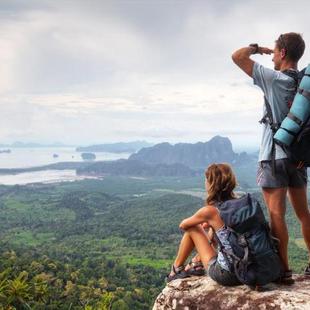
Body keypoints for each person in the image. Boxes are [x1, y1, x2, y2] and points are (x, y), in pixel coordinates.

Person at [232, 32, 310, 283]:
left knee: (276, 215)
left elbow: (237, 56)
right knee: (303, 214)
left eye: (276, 51)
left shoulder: (273, 79)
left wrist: (258, 49)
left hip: (273, 157)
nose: (273, 56)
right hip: (298, 157)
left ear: (283, 53)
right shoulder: (304, 84)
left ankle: (284, 271)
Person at [167, 163, 241, 286]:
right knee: (214, 230)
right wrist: (210, 224)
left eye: (206, 180)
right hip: (249, 268)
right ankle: (196, 262)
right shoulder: (240, 204)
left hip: (228, 274)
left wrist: (203, 221)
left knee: (193, 227)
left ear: (211, 184)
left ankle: (175, 269)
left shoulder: (211, 211)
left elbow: (183, 225)